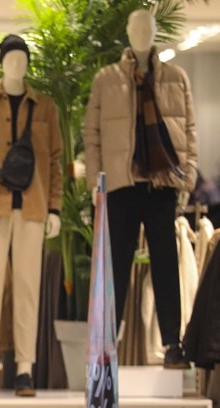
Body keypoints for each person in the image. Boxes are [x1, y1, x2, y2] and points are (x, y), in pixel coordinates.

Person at [83, 8, 197, 369]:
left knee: (166, 265)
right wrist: (95, 184)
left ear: (155, 32)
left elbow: (189, 133)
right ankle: (106, 347)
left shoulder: (176, 79)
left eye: (148, 28)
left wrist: (187, 178)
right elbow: (93, 136)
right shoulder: (106, 79)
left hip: (162, 183)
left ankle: (172, 345)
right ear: (128, 34)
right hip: (121, 184)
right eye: (136, 28)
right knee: (115, 266)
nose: (143, 34)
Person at [0, 33, 63, 398]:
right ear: (1, 63)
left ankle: (24, 368)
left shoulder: (45, 107)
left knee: (28, 289)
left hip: (33, 207)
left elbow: (54, 161)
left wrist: (55, 207)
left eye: (22, 59)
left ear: (28, 64)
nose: (16, 64)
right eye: (10, 58)